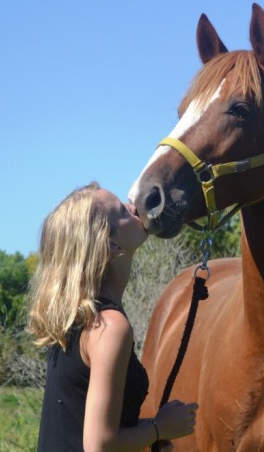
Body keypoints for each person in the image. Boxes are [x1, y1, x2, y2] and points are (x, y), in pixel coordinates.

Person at [27, 181, 198, 451]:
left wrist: (148, 431)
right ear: (110, 243)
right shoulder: (110, 326)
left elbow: (77, 427)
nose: (134, 207)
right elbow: (100, 444)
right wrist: (159, 428)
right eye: (122, 210)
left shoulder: (78, 319)